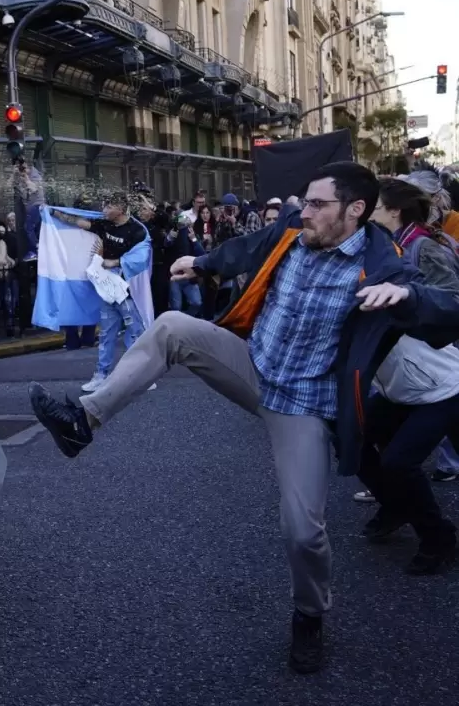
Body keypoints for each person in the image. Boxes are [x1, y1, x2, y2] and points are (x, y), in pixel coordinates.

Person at [28, 161, 459, 674]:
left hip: (305, 405)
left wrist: (407, 295)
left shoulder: (384, 262)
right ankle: (84, 420)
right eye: (307, 201)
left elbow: (444, 306)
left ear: (356, 210)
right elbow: (248, 250)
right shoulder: (294, 231)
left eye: (320, 204)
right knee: (171, 326)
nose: (307, 210)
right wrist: (204, 262)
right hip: (254, 368)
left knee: (303, 531)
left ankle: (309, 615)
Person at [352, 178, 459, 572]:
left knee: (399, 462)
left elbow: (452, 304)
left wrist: (408, 299)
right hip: (397, 381)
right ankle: (397, 506)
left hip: (441, 381)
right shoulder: (369, 249)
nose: (364, 211)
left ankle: (438, 537)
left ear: (393, 210)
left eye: (374, 205)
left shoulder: (421, 247)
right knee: (353, 443)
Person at [50, 192, 148, 393]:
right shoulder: (104, 224)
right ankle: (101, 375)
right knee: (106, 333)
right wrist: (56, 214)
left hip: (127, 289)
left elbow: (142, 257)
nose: (103, 210)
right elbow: (80, 223)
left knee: (136, 332)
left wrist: (116, 262)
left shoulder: (137, 231)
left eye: (107, 206)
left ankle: (142, 375)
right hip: (106, 286)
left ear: (120, 209)